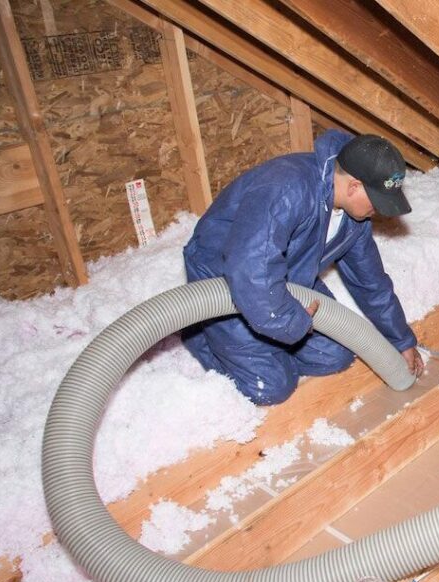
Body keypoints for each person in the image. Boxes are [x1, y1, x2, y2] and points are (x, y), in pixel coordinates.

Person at [181, 130, 424, 405]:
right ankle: (203, 337)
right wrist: (289, 322)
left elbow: (371, 282)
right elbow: (250, 268)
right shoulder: (288, 188)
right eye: (376, 201)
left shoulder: (353, 219)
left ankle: (263, 345)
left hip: (289, 276)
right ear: (354, 186)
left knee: (336, 354)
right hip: (226, 279)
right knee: (271, 387)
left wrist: (401, 340)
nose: (378, 211)